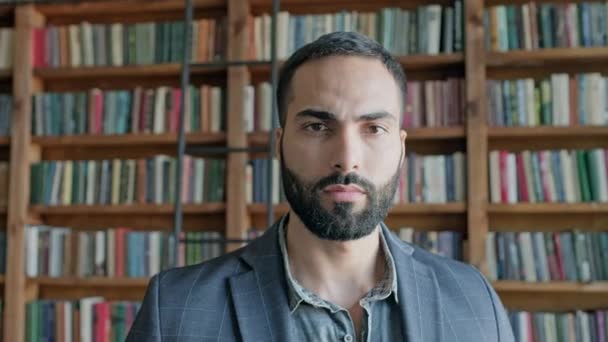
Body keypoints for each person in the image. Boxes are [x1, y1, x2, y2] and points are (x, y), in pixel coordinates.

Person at [126, 31, 514, 342]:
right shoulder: (176, 309)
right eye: (317, 127)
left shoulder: (474, 298)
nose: (347, 158)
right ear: (279, 143)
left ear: (400, 148)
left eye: (373, 129)